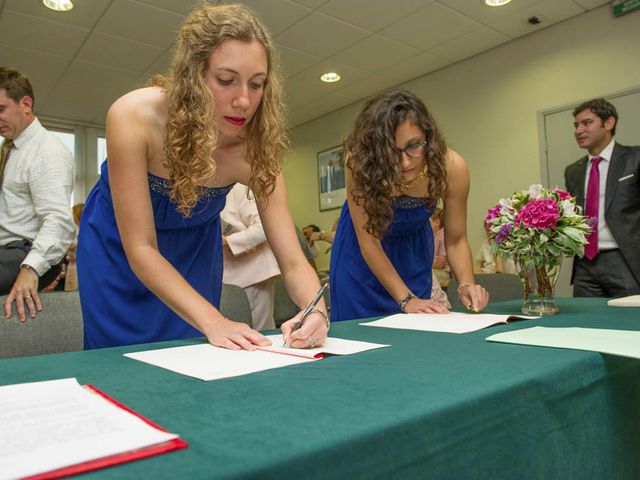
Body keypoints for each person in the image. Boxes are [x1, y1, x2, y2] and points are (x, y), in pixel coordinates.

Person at [77, 4, 328, 350]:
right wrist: (215, 320)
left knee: (193, 359)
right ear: (193, 76)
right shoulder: (134, 117)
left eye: (257, 85)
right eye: (226, 80)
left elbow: (293, 259)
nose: (243, 100)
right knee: (119, 366)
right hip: (119, 252)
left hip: (193, 255)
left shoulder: (255, 153)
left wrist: (316, 310)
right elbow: (140, 248)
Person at [329, 89, 488, 321]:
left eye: (414, 146)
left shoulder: (452, 167)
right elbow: (369, 243)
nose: (404, 162)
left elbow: (456, 239)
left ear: (428, 137)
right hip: (362, 260)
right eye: (390, 152)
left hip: (413, 258)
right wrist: (406, 299)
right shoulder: (358, 163)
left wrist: (465, 284)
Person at [0, 67, 75, 320]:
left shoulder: (47, 151)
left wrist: (31, 269)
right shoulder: (11, 149)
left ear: (26, 104)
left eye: (0, 109)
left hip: (27, 253)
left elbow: (58, 221)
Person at [564, 98, 640, 297]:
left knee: (630, 323)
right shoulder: (573, 171)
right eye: (576, 125)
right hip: (585, 265)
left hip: (625, 259)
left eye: (587, 123)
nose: (578, 130)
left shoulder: (635, 159)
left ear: (609, 123)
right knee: (586, 324)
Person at [221, 184, 280, 331]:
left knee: (260, 333)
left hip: (253, 275)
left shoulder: (240, 189)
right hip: (228, 277)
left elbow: (264, 227)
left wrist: (229, 241)